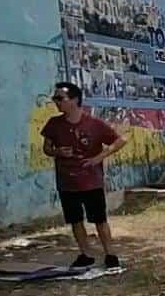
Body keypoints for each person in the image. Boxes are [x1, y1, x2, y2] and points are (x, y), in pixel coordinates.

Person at [41, 81, 126, 269]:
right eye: (55, 98)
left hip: (90, 182)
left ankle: (110, 254)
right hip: (66, 182)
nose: (56, 102)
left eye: (60, 98)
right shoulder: (54, 124)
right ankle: (85, 253)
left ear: (74, 100)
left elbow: (121, 140)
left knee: (99, 220)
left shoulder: (94, 124)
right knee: (75, 220)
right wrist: (58, 152)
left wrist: (99, 157)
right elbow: (46, 148)